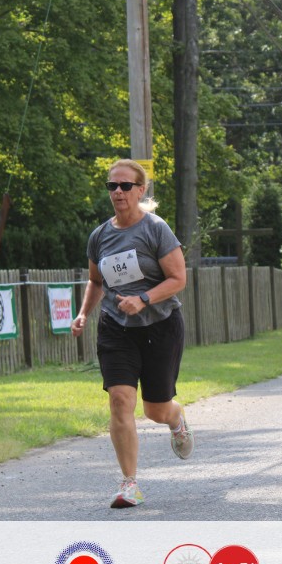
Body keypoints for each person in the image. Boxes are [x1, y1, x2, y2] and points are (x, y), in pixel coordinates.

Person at [71, 159, 193, 508]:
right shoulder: (99, 236)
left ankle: (176, 418)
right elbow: (96, 281)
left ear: (141, 190)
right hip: (116, 328)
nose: (119, 192)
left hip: (160, 326)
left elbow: (178, 279)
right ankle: (129, 484)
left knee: (155, 410)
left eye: (126, 186)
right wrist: (83, 313)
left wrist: (143, 299)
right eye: (113, 186)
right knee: (120, 400)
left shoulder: (156, 229)